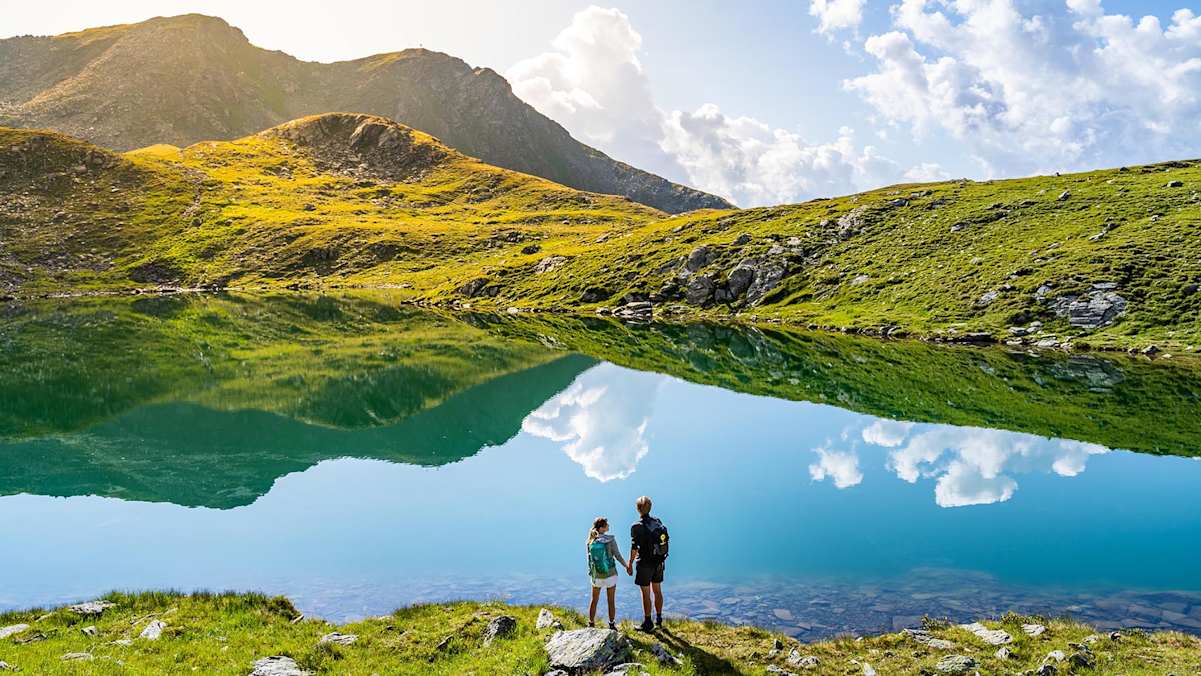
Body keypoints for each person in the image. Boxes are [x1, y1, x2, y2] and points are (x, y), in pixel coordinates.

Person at [629, 495, 669, 632]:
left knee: (646, 594)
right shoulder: (657, 521)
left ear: (638, 509)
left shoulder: (636, 526)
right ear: (650, 508)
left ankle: (647, 622)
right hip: (658, 563)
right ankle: (659, 619)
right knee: (657, 591)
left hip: (645, 564)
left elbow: (634, 548)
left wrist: (629, 563)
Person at [586, 516, 631, 630]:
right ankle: (611, 624)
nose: (609, 526)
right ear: (602, 528)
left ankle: (591, 623)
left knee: (594, 600)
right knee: (611, 601)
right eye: (607, 524)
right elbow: (617, 555)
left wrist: (592, 573)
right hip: (610, 575)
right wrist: (627, 566)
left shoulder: (591, 541)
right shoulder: (610, 540)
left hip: (597, 576)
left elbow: (589, 560)